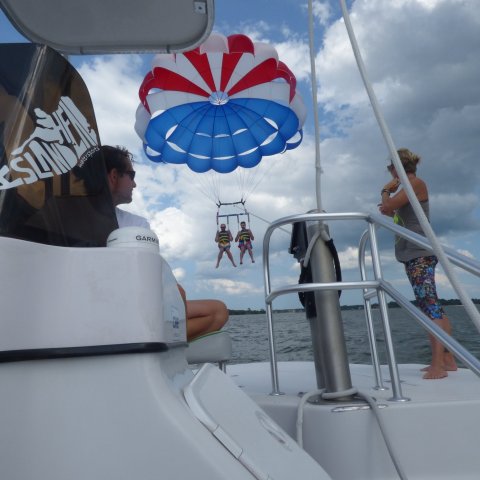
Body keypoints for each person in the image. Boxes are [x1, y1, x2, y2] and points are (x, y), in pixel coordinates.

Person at [102, 144, 228, 341]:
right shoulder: (135, 225)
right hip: (124, 311)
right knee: (212, 310)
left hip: (132, 310)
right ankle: (152, 341)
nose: (135, 184)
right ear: (114, 176)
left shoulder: (134, 222)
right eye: (132, 175)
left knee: (219, 311)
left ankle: (151, 339)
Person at [379, 148, 457, 380]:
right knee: (431, 306)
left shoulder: (414, 184)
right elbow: (389, 211)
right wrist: (389, 201)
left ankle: (438, 366)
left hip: (419, 254)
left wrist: (385, 190)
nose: (390, 173)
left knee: (429, 306)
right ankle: (448, 359)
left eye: (390, 168)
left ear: (396, 168)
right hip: (412, 254)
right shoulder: (409, 188)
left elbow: (387, 206)